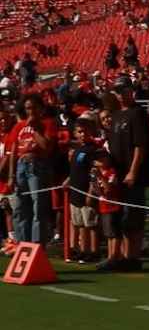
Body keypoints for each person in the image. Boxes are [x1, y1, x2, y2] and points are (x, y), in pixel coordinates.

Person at [102, 77, 149, 271]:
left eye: (123, 90)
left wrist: (133, 171)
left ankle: (133, 257)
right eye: (117, 91)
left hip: (133, 174)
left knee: (133, 216)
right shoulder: (116, 115)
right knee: (119, 217)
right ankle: (121, 256)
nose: (121, 95)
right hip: (117, 173)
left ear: (131, 91)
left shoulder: (138, 113)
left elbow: (140, 146)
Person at [8, 93, 57, 244]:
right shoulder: (19, 126)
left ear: (41, 109)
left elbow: (46, 147)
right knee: (20, 208)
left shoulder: (48, 123)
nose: (31, 111)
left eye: (34, 108)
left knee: (38, 207)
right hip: (21, 167)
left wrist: (35, 129)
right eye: (28, 108)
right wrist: (11, 176)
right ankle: (23, 243)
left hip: (37, 166)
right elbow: (13, 152)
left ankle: (36, 245)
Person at [67, 114, 101, 262]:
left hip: (86, 191)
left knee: (91, 223)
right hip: (75, 191)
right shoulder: (77, 150)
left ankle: (94, 251)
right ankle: (83, 249)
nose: (83, 135)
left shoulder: (93, 150)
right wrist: (67, 181)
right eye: (80, 132)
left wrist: (90, 192)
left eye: (85, 132)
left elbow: (94, 173)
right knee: (79, 223)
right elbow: (74, 171)